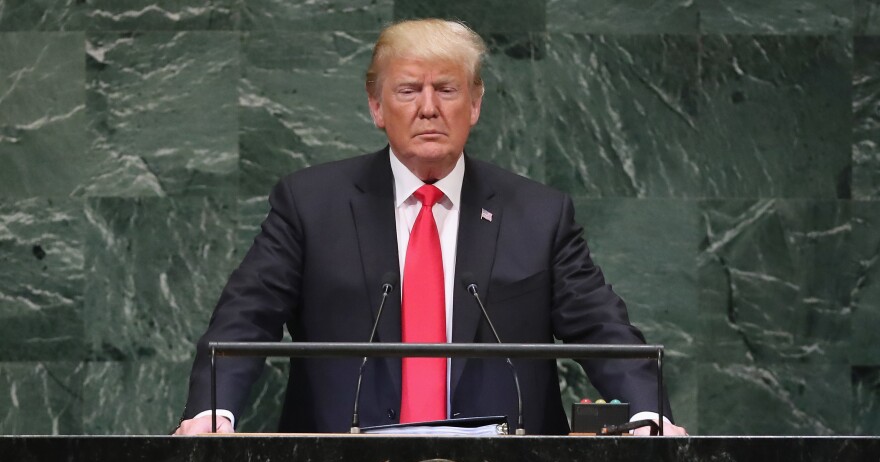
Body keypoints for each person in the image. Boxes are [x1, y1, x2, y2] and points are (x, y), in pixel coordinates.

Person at [174, 19, 687, 436]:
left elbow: (603, 329)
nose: (428, 108)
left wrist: (646, 414)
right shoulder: (310, 204)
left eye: (446, 88)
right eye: (407, 90)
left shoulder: (538, 213)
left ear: (475, 103)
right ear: (376, 106)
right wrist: (212, 411)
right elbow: (246, 318)